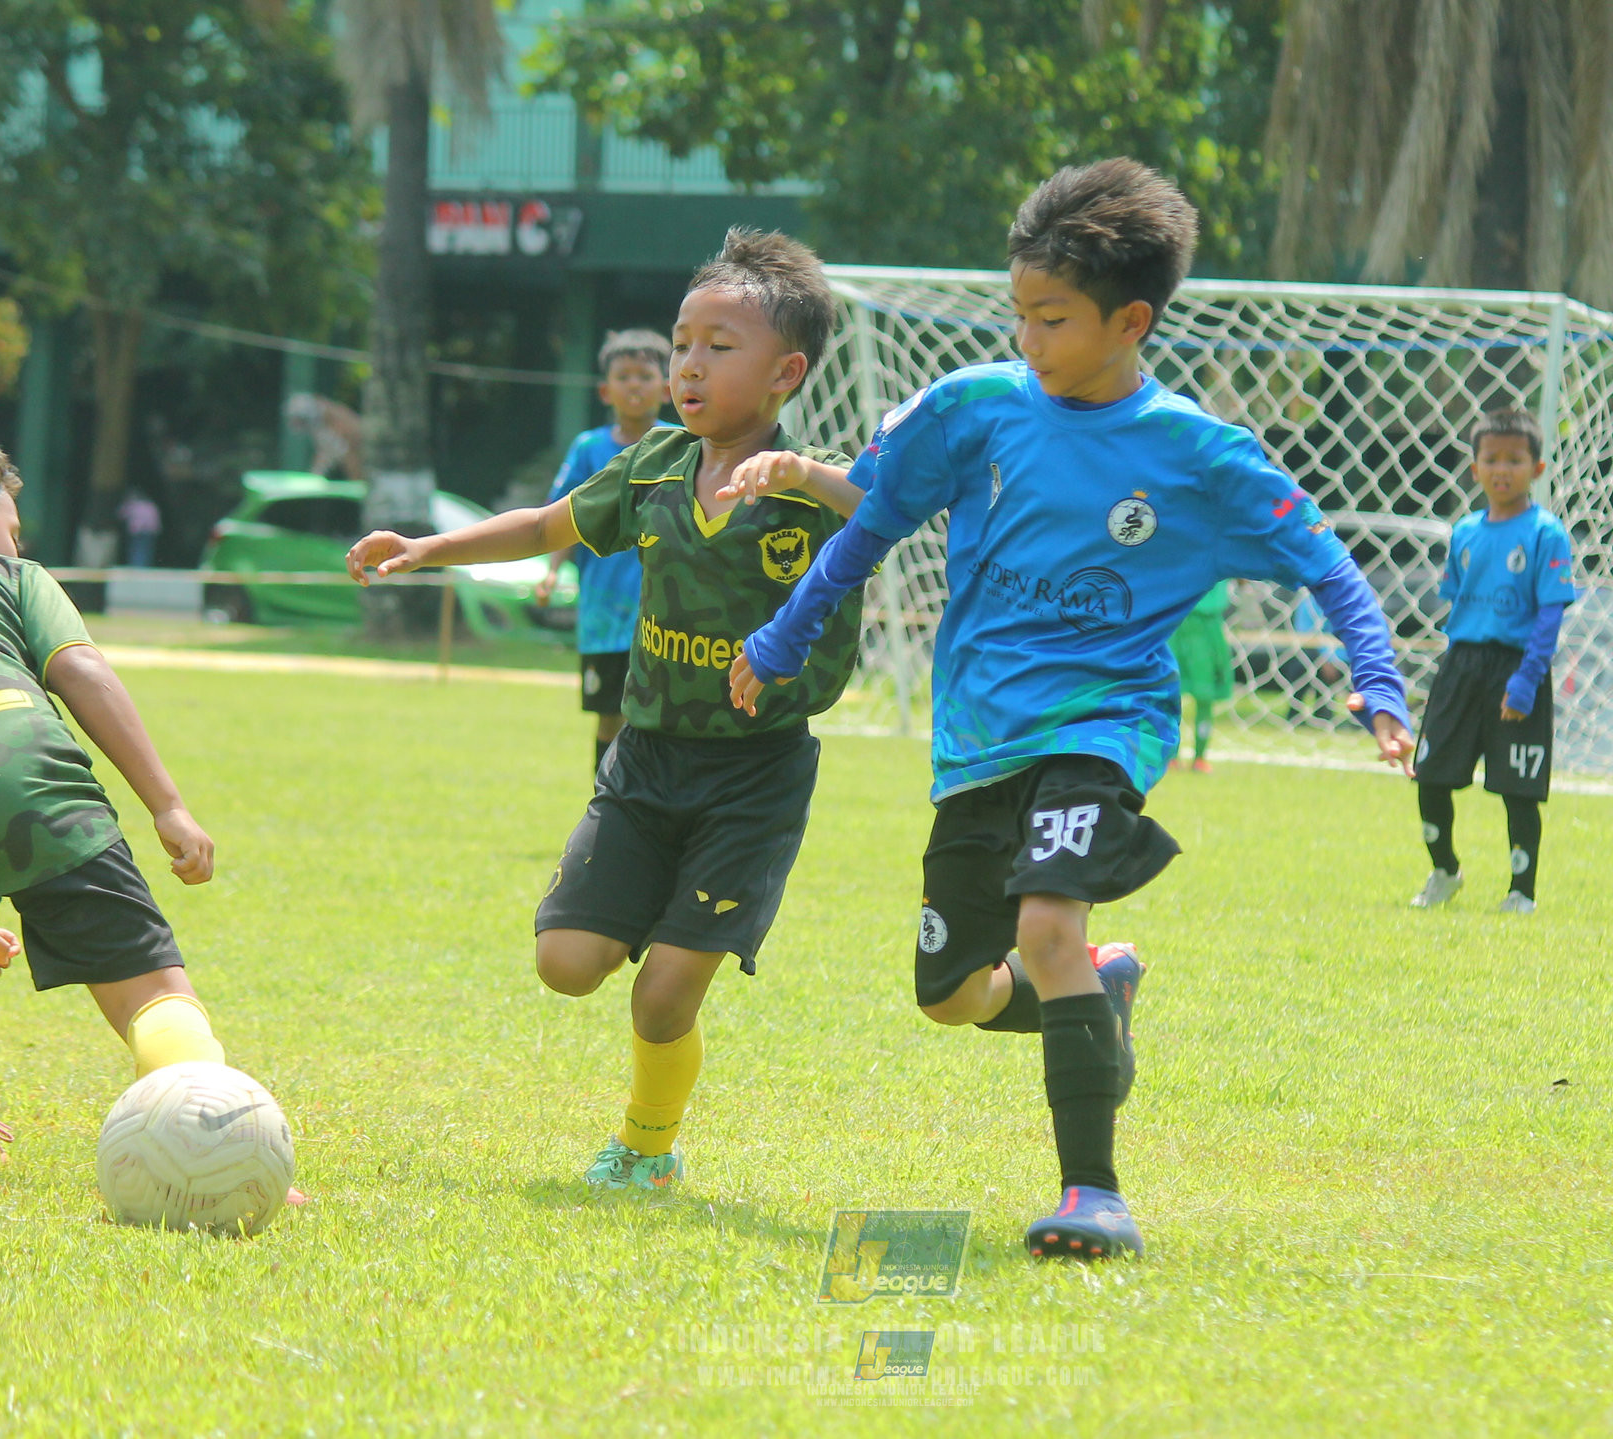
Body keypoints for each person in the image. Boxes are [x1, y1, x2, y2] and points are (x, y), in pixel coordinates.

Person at [727, 160, 1412, 1261]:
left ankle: (1093, 1193)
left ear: (1129, 320)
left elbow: (1327, 566)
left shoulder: (1196, 454)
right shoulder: (972, 409)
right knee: (948, 994)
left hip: (1106, 722)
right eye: (1020, 315)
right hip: (977, 738)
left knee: (1048, 926)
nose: (1028, 338)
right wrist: (784, 631)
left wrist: (1375, 681)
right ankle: (1099, 989)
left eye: (1051, 319)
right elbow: (871, 526)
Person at [345, 229, 863, 1192]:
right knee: (567, 963)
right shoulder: (656, 464)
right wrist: (427, 547)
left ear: (786, 372)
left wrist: (807, 479)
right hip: (647, 758)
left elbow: (889, 502)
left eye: (720, 346)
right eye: (682, 343)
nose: (689, 366)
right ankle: (644, 910)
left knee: (663, 1000)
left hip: (753, 777)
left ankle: (647, 1146)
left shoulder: (818, 488)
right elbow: (548, 526)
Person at [0, 428, 285, 1179]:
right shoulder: (8, 577)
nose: (15, 543)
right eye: (13, 529)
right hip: (31, 789)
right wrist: (167, 804)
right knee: (151, 990)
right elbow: (83, 670)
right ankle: (216, 1138)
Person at [1408, 408, 1577, 916]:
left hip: (1517, 666)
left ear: (1537, 468)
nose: (1503, 469)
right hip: (1461, 665)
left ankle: (1521, 891)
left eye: (1515, 460)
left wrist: (1527, 680)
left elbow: (1549, 614)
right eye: (1492, 459)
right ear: (1475, 468)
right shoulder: (1463, 532)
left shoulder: (1547, 533)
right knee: (1431, 773)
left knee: (1517, 787)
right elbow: (1456, 601)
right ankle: (1445, 870)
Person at [544, 329, 672, 774]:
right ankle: (606, 801)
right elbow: (561, 518)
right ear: (605, 390)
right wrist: (551, 572)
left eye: (645, 375)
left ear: (668, 387)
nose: (634, 385)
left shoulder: (682, 445)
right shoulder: (589, 448)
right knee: (608, 715)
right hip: (602, 614)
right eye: (623, 376)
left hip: (664, 612)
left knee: (661, 714)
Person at [1167, 581, 1232, 772]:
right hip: (1178, 622)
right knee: (1170, 691)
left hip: (1208, 626)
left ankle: (1200, 757)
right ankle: (1171, 756)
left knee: (1205, 694)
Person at [118, 489, 161, 569]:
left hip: (139, 532)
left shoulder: (133, 505)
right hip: (148, 532)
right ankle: (141, 568)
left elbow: (121, 514)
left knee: (138, 550)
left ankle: (138, 568)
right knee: (144, 551)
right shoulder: (150, 505)